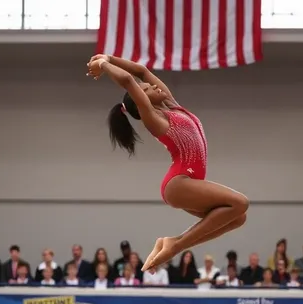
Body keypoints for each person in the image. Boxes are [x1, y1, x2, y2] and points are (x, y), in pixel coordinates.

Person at [87, 54, 249, 272]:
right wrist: (104, 66)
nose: (153, 86)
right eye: (146, 89)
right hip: (178, 183)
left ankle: (171, 243)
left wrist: (109, 57)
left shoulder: (171, 104)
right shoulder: (154, 119)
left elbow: (141, 71)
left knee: (238, 218)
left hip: (188, 182)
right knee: (241, 203)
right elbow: (128, 80)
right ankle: (175, 246)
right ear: (140, 101)